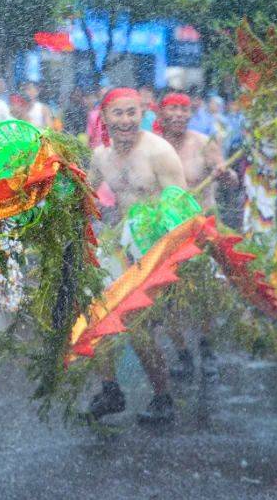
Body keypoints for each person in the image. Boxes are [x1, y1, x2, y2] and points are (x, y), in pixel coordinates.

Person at [85, 88, 187, 425]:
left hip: (156, 251)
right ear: (105, 116)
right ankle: (111, 389)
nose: (126, 121)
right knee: (95, 315)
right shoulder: (100, 156)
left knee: (139, 329)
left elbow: (182, 210)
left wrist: (169, 259)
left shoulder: (159, 152)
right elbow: (84, 196)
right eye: (119, 113)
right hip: (121, 247)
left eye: (133, 112)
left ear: (143, 114)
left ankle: (163, 398)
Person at [156, 92, 238, 380]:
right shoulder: (153, 147)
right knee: (166, 299)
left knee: (203, 296)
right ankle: (182, 354)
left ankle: (206, 348)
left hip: (201, 230)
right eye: (172, 108)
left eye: (184, 109)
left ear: (191, 113)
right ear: (160, 114)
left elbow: (231, 176)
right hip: (165, 235)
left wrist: (226, 175)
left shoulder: (204, 144)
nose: (178, 114)